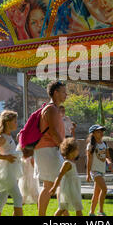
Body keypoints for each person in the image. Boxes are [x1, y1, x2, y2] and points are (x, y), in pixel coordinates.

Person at [34, 80, 67, 216]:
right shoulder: (51, 109)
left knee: (58, 184)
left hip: (48, 150)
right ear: (55, 92)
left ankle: (63, 214)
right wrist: (66, 148)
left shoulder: (52, 109)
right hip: (48, 150)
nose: (66, 95)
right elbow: (53, 132)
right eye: (64, 92)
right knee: (52, 185)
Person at [0, 110, 23, 216]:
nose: (17, 123)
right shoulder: (2, 137)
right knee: (18, 197)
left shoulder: (8, 136)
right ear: (8, 122)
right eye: (15, 121)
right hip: (5, 172)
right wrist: (6, 157)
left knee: (1, 200)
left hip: (7, 171)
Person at [49, 137, 83, 216]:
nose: (78, 151)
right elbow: (60, 176)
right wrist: (54, 187)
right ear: (71, 151)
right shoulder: (67, 163)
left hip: (74, 188)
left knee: (76, 207)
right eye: (77, 149)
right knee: (66, 207)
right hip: (69, 189)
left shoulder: (72, 162)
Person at [86, 124, 112, 216]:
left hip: (102, 170)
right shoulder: (91, 145)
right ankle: (100, 211)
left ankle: (91, 212)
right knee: (104, 189)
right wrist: (88, 174)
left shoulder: (104, 144)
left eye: (102, 131)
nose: (101, 133)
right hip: (95, 171)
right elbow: (89, 160)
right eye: (98, 131)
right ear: (93, 134)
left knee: (96, 193)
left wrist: (109, 162)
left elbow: (107, 156)